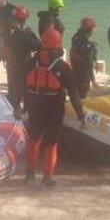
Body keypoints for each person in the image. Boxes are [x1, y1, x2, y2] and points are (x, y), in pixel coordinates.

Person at [24, 28, 85, 187]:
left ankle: (29, 173)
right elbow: (74, 94)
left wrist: (22, 106)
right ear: (59, 46)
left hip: (35, 108)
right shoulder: (63, 67)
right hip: (54, 111)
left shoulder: (30, 62)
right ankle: (47, 178)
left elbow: (20, 86)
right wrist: (80, 114)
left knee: (33, 139)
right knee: (51, 144)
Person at [4, 6, 40, 118]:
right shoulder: (26, 34)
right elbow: (38, 46)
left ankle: (12, 112)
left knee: (12, 89)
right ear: (25, 19)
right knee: (25, 90)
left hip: (11, 65)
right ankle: (22, 113)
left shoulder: (8, 31)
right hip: (24, 65)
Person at [69, 17, 98, 99]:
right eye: (92, 29)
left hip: (75, 70)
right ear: (89, 30)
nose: (93, 31)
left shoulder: (76, 37)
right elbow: (88, 63)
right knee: (82, 95)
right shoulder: (87, 44)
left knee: (75, 93)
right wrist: (93, 79)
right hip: (83, 74)